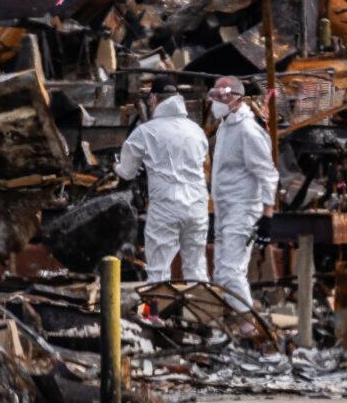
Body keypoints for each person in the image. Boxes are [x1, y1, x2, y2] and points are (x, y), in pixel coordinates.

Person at [114, 75, 209, 284]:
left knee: (158, 270)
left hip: (166, 206)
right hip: (197, 205)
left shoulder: (145, 132)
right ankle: (202, 314)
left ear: (155, 99)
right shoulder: (196, 131)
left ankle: (157, 316)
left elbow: (127, 172)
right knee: (196, 268)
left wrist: (116, 166)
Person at [208, 76, 279, 314]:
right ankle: (237, 325)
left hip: (243, 209)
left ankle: (250, 325)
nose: (217, 100)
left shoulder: (248, 130)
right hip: (225, 209)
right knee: (221, 273)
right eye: (215, 95)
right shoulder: (226, 127)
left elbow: (268, 174)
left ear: (236, 98)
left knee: (231, 271)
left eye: (222, 96)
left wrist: (267, 216)